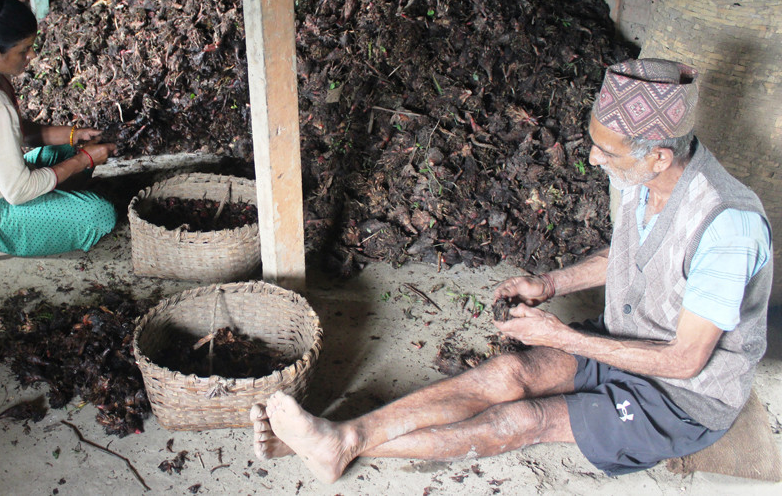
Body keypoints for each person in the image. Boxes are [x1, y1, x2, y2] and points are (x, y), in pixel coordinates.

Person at [250, 58, 773, 483]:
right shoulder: (641, 180)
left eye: (605, 150)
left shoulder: (728, 226)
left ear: (659, 157)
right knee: (510, 373)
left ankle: (338, 444)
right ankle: (336, 441)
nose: (592, 159)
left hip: (683, 398)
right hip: (628, 343)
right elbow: (629, 254)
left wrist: (562, 336)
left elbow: (684, 362)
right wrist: (549, 285)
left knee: (527, 419)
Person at [0, 0, 119, 257]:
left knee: (72, 149)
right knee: (100, 214)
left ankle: (57, 196)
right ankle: (22, 224)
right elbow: (18, 192)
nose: (31, 55)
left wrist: (74, 135)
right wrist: (84, 161)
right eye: (23, 50)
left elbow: (20, 133)